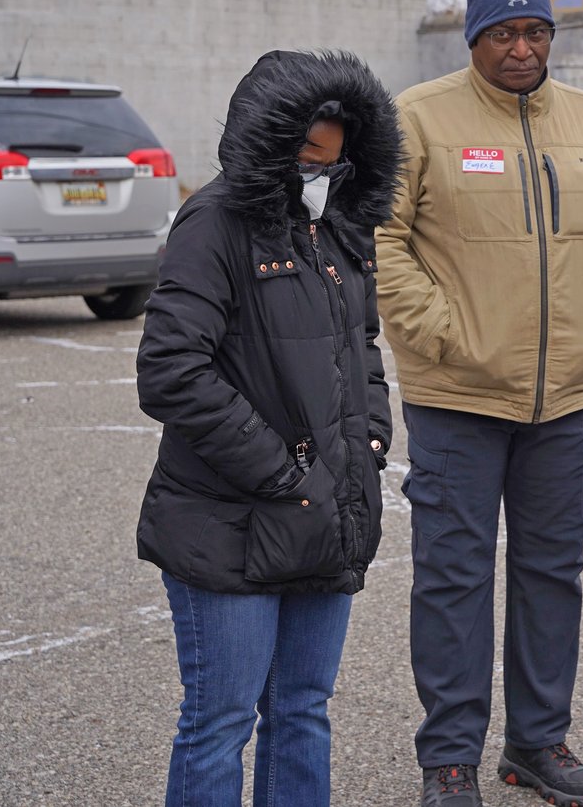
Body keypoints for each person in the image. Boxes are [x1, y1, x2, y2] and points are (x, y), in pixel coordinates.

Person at [376, 0, 583, 807]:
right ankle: (450, 758)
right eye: (504, 33)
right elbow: (383, 241)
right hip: (455, 398)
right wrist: (445, 336)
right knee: (453, 576)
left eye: (536, 32)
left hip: (564, 399)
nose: (523, 47)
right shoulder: (418, 118)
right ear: (475, 38)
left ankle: (537, 741)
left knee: (551, 572)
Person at [135, 49, 403, 807]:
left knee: (302, 712)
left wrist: (371, 442)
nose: (320, 173)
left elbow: (363, 347)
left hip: (325, 516)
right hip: (229, 523)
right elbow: (170, 371)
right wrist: (286, 474)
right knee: (219, 722)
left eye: (335, 158)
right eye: (307, 158)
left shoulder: (341, 226)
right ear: (268, 143)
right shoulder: (213, 222)